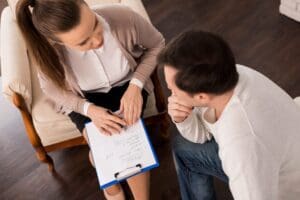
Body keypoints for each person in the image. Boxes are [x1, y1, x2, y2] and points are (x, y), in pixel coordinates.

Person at [16, 0, 165, 199]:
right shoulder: (48, 50)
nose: (97, 41)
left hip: (127, 85)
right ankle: (114, 190)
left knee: (128, 147)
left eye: (95, 25)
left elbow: (157, 44)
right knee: (105, 148)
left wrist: (136, 85)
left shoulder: (123, 17)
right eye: (83, 42)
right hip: (82, 98)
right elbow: (51, 90)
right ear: (57, 42)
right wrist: (89, 110)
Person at [157, 30, 300, 200]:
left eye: (172, 89)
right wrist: (184, 119)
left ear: (201, 96)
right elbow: (203, 134)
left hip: (280, 187)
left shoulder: (240, 144)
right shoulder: (225, 75)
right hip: (281, 149)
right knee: (183, 148)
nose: (171, 95)